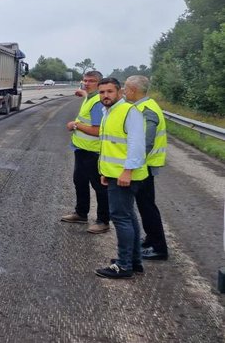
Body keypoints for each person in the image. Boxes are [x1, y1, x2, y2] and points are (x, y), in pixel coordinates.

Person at [94, 77, 148, 279]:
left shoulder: (128, 111)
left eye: (109, 91)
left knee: (121, 218)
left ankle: (124, 265)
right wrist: (105, 173)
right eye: (102, 92)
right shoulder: (108, 111)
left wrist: (127, 171)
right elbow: (111, 146)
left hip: (125, 175)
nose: (105, 95)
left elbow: (136, 145)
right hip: (114, 174)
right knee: (129, 216)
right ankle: (134, 262)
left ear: (120, 92)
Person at [124, 75, 169, 260]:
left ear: (133, 90)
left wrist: (132, 165)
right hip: (146, 165)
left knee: (147, 206)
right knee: (145, 206)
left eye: (125, 88)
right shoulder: (142, 106)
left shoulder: (146, 110)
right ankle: (151, 240)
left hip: (146, 166)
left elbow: (146, 142)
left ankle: (159, 248)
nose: (124, 92)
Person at [61, 70, 110, 234]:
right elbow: (86, 95)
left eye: (91, 81)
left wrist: (75, 125)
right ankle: (81, 213)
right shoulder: (90, 97)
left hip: (93, 152)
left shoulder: (97, 102)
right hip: (81, 150)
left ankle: (103, 221)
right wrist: (82, 93)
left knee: (99, 187)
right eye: (85, 80)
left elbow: (97, 130)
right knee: (79, 182)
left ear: (99, 83)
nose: (87, 83)